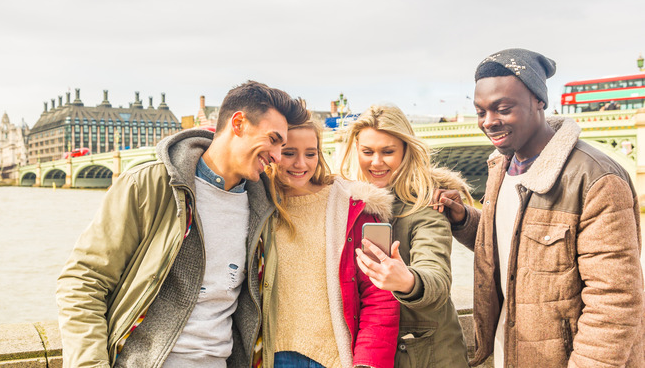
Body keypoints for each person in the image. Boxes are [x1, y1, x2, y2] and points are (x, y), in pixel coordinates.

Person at [56, 81, 310, 368]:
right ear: (238, 123)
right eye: (274, 139)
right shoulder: (147, 186)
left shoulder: (265, 207)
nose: (277, 156)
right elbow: (83, 280)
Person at [434, 48, 645, 367]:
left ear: (539, 101)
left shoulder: (596, 179)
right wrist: (464, 219)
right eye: (480, 112)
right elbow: (516, 247)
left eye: (503, 109)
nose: (489, 122)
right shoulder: (500, 168)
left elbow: (614, 301)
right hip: (513, 353)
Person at [340, 104, 472, 368]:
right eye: (368, 152)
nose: (376, 162)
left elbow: (437, 276)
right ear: (356, 150)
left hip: (428, 355)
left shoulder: (426, 204)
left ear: (405, 151)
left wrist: (408, 281)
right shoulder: (343, 203)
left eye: (388, 152)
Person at [261, 120, 400, 368]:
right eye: (289, 153)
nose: (301, 164)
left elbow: (380, 294)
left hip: (336, 360)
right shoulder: (256, 203)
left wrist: (368, 363)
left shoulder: (356, 206)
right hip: (269, 357)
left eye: (310, 153)